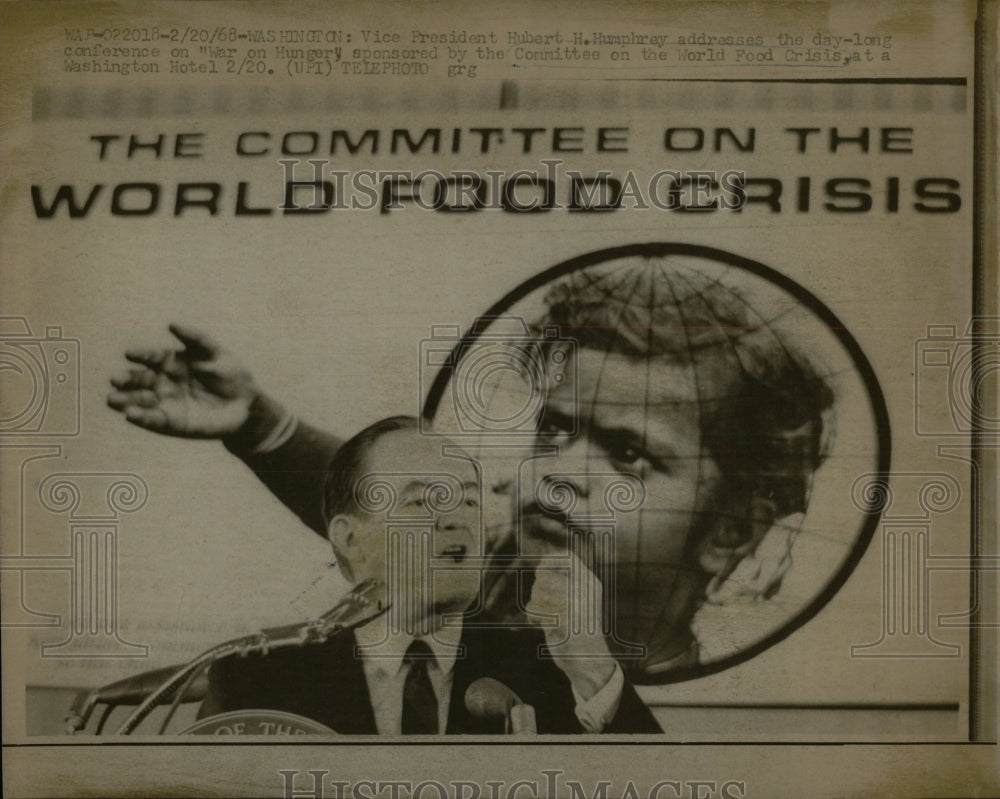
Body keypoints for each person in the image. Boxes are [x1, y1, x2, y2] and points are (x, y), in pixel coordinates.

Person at [108, 256, 835, 681]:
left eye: (628, 452)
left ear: (732, 530)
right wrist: (261, 425)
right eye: (554, 429)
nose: (561, 472)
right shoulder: (507, 579)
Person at [194, 416, 659, 733]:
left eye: (470, 500)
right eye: (420, 501)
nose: (456, 519)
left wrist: (592, 667)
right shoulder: (258, 677)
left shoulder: (549, 669)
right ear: (349, 538)